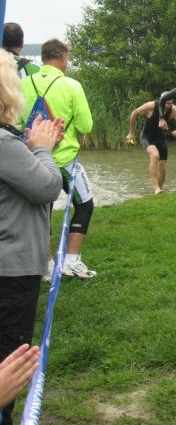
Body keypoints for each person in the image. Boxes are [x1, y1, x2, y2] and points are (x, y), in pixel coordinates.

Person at [0, 49, 63, 422]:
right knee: (9, 362)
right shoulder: (3, 143)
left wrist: (34, 146)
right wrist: (42, 149)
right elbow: (47, 187)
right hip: (11, 271)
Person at [20, 39, 96, 279]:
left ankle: (45, 265)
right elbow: (86, 125)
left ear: (43, 57)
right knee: (85, 205)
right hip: (64, 160)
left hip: (32, 159)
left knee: (43, 210)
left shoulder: (23, 83)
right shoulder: (72, 85)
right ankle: (71, 260)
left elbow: (15, 122)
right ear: (63, 57)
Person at [125, 98, 176, 194]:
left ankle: (160, 190)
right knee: (155, 155)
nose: (169, 106)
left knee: (162, 166)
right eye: (167, 103)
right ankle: (156, 188)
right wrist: (131, 133)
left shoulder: (174, 110)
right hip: (147, 137)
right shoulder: (151, 106)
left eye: (171, 103)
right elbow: (134, 113)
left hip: (161, 139)